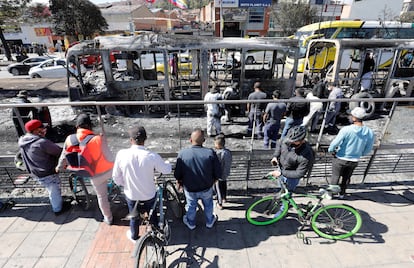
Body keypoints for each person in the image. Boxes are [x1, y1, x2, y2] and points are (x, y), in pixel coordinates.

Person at [112, 126, 172, 242]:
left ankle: (134, 235)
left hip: (131, 194)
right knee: (152, 213)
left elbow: (115, 177)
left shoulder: (121, 154)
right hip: (149, 194)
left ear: (131, 140)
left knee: (133, 215)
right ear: (145, 139)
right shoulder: (151, 156)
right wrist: (168, 163)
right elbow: (166, 170)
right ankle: (154, 232)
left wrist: (125, 185)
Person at [56, 113, 115, 225]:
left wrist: (58, 168)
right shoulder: (97, 139)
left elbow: (64, 156)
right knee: (124, 181)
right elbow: (110, 157)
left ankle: (108, 218)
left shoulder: (69, 139)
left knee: (101, 196)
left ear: (77, 127)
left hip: (90, 174)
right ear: (90, 126)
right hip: (108, 171)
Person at [18, 119, 69, 215]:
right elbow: (59, 152)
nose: (45, 129)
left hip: (35, 171)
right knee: (54, 190)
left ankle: (58, 204)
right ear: (36, 130)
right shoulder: (41, 142)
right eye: (42, 128)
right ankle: (58, 209)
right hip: (46, 172)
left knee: (51, 189)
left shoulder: (22, 141)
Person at [174, 128, 221, 230]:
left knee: (191, 206)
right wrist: (213, 181)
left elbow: (177, 174)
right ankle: (209, 221)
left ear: (190, 140)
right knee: (208, 205)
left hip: (190, 188)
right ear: (203, 141)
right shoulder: (210, 153)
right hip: (206, 187)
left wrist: (180, 182)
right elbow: (218, 172)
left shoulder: (182, 154)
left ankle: (191, 223)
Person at [327, 107, 375, 198]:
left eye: (351, 115)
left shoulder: (346, 129)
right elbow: (368, 148)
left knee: (335, 176)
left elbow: (335, 143)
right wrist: (360, 154)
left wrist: (331, 150)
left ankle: (330, 194)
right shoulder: (370, 132)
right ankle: (342, 193)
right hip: (354, 159)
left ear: (354, 118)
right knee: (346, 177)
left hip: (341, 157)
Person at [271, 125, 314, 192]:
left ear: (302, 141)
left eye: (294, 141)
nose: (290, 142)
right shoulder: (287, 139)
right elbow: (280, 144)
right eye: (290, 140)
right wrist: (275, 156)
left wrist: (281, 173)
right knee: (281, 189)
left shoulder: (306, 155)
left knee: (288, 193)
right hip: (281, 170)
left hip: (292, 178)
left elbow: (299, 173)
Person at [213, 134, 232, 209]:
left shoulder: (219, 153)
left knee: (218, 189)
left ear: (218, 145)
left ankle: (219, 202)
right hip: (226, 173)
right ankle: (224, 198)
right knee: (224, 186)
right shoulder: (228, 152)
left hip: (219, 175)